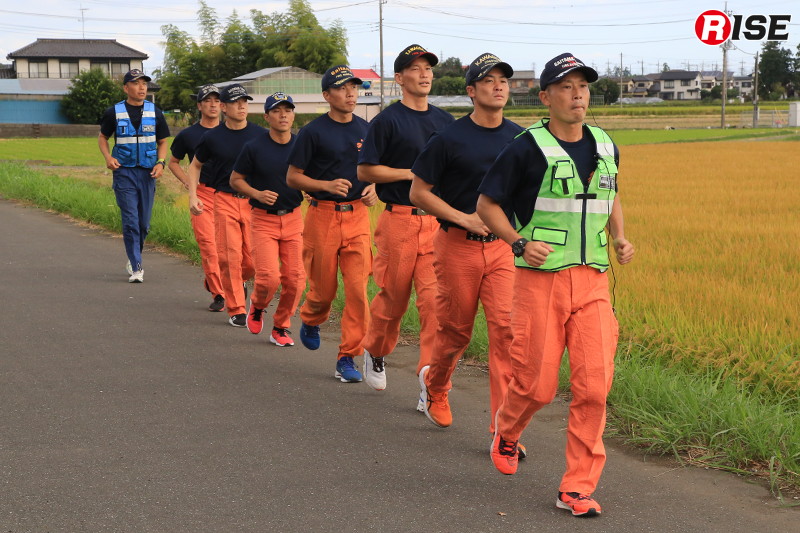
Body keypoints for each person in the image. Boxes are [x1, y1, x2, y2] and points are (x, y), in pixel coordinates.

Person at [477, 53, 635, 517]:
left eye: (582, 86)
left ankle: (576, 488)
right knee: (537, 386)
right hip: (539, 282)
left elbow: (611, 192)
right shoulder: (526, 147)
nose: (577, 94)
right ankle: (507, 430)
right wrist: (519, 243)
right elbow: (487, 205)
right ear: (546, 97)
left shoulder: (606, 144)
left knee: (594, 387)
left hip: (593, 282)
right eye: (566, 87)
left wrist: (619, 237)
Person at [409, 53, 521, 439]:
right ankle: (436, 385)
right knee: (456, 331)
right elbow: (419, 193)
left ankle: (504, 429)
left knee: (506, 332)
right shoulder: (449, 138)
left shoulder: (520, 138)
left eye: (503, 80)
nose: (498, 86)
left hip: (502, 249)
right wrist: (463, 217)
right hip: (457, 246)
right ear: (471, 91)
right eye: (488, 80)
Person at [357, 44, 454, 400]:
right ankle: (375, 350)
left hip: (437, 224)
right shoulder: (387, 121)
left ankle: (430, 382)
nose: (424, 74)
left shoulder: (446, 123)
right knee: (393, 301)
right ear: (399, 78)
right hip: (399, 221)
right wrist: (410, 174)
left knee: (435, 306)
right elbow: (365, 170)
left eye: (428, 68)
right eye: (415, 68)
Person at [286, 65, 378, 382]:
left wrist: (374, 188)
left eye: (354, 87)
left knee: (358, 292)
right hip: (322, 215)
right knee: (323, 291)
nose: (350, 93)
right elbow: (293, 177)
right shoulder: (312, 132)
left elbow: (375, 170)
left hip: (358, 217)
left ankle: (347, 357)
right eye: (342, 88)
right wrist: (325, 185)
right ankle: (312, 317)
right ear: (327, 95)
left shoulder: (367, 130)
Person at [230, 92, 304, 347]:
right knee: (269, 278)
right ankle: (258, 306)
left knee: (295, 279)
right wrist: (256, 193)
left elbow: (313, 174)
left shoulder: (302, 145)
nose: (283, 115)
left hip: (294, 218)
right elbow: (235, 180)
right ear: (266, 117)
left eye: (288, 110)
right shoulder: (254, 147)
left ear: (293, 115)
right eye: (276, 111)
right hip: (263, 220)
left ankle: (281, 327)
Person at [187, 84, 264, 327]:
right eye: (235, 102)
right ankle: (237, 309)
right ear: (224, 107)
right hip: (223, 200)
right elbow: (195, 166)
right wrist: (192, 196)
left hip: (252, 202)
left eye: (245, 102)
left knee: (252, 261)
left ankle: (236, 280)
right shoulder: (212, 137)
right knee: (229, 255)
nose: (241, 106)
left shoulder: (261, 135)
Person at [98, 69, 170, 283]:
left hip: (148, 173)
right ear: (126, 88)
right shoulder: (114, 112)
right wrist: (108, 157)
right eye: (136, 83)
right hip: (124, 172)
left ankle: (134, 254)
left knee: (143, 223)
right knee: (130, 220)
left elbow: (163, 141)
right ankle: (137, 266)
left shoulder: (155, 112)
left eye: (144, 84)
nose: (142, 87)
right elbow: (102, 138)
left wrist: (161, 162)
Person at [168, 84, 225, 311]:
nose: (213, 105)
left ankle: (216, 280)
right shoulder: (188, 135)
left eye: (217, 101)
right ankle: (219, 294)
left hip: (229, 195)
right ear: (200, 106)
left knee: (230, 249)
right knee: (209, 245)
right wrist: (188, 182)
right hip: (202, 194)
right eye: (208, 101)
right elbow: (173, 162)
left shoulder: (231, 132)